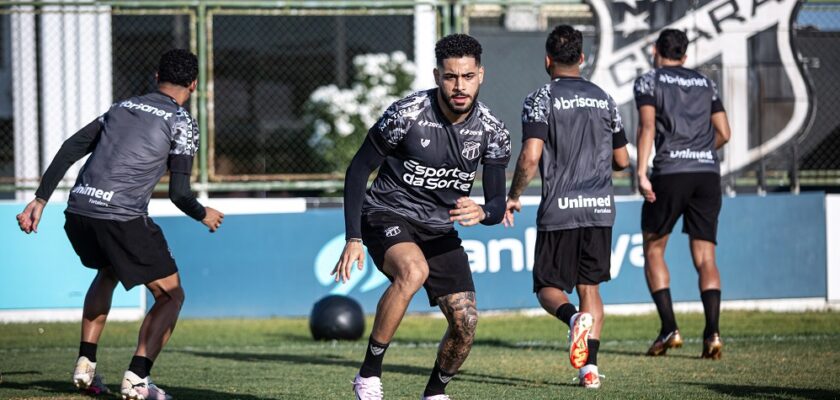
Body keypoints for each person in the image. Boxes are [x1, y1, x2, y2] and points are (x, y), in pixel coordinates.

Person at [16, 49, 224, 399]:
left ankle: (86, 364)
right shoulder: (182, 121)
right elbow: (179, 193)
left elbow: (71, 147)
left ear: (156, 77)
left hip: (78, 209)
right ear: (193, 84)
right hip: (120, 216)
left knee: (108, 271)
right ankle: (138, 378)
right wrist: (203, 213)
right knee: (171, 295)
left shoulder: (121, 106)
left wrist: (39, 198)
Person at [331, 33, 510, 400]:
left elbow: (496, 205)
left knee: (466, 322)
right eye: (450, 77)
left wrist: (483, 211)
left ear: (481, 76)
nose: (459, 86)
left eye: (467, 76)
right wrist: (353, 237)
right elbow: (358, 169)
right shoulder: (406, 114)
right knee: (414, 272)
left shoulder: (493, 132)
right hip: (386, 211)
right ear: (436, 75)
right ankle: (368, 375)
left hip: (438, 228)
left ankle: (435, 393)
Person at [503, 25, 629, 389]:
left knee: (547, 287)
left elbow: (530, 155)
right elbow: (622, 160)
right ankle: (589, 369)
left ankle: (574, 319)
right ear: (583, 58)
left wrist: (514, 195)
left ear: (547, 60)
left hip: (561, 209)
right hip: (600, 208)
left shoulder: (541, 98)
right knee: (591, 289)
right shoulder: (605, 99)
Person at [633, 29, 731, 359]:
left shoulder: (650, 81)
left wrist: (641, 172)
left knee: (653, 248)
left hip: (670, 172)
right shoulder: (706, 83)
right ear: (685, 57)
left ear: (655, 50)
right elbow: (725, 133)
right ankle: (713, 333)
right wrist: (700, 151)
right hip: (707, 173)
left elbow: (646, 127)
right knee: (706, 257)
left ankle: (669, 328)